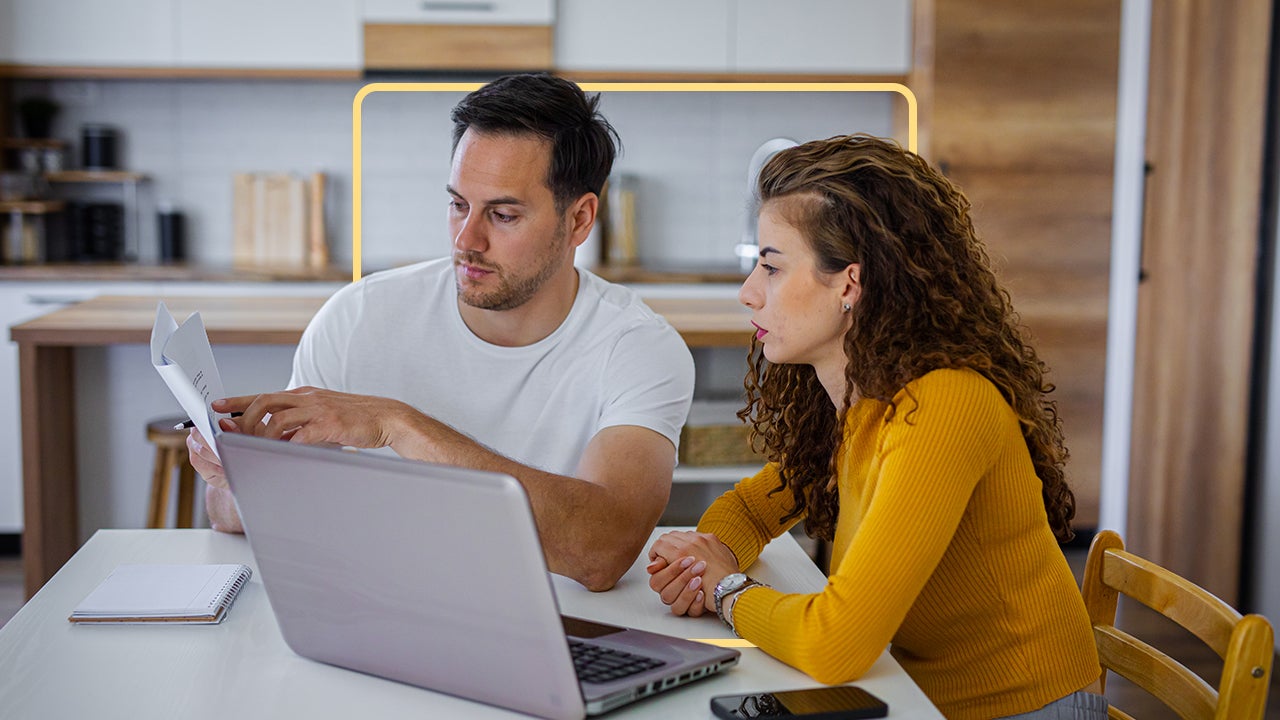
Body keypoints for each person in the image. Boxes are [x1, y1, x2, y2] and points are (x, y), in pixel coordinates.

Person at [644, 135, 1106, 719]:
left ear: (849, 284)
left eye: (771, 267)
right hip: (912, 695)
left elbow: (837, 644)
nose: (748, 293)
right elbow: (747, 511)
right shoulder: (860, 402)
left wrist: (723, 589)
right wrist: (703, 564)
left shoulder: (942, 406)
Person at [189, 74, 694, 592]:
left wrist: (398, 425)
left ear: (580, 220)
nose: (466, 239)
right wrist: (240, 485)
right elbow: (239, 512)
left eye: (502, 214)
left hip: (564, 626)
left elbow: (601, 549)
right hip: (378, 608)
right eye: (458, 204)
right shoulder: (357, 318)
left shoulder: (637, 347)